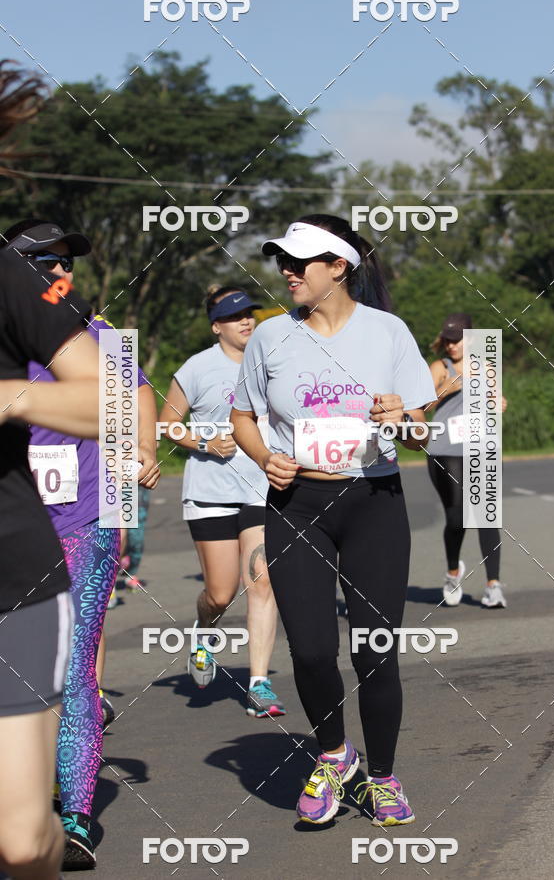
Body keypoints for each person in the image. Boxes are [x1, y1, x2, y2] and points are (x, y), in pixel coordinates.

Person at [230, 215, 436, 825]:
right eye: (282, 262)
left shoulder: (388, 333)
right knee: (314, 652)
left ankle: (382, 776)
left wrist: (402, 416)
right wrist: (267, 457)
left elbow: (421, 430)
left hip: (374, 502)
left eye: (301, 262)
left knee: (374, 650)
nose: (287, 272)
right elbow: (244, 417)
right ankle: (332, 754)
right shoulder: (270, 338)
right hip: (298, 508)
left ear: (339, 267)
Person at [2, 218, 160, 868]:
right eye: (44, 259)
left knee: (77, 673)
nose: (58, 272)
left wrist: (142, 449)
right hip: (27, 509)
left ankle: (74, 817)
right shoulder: (12, 322)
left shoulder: (99, 343)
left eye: (65, 262)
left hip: (78, 527)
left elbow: (135, 404)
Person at [0, 57, 101, 880]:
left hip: (15, 579)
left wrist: (11, 401)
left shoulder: (10, 278)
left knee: (22, 842)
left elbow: (110, 405)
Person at [159, 286, 285, 718]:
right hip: (210, 492)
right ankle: (202, 633)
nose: (246, 321)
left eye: (249, 314)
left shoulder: (272, 359)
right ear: (217, 327)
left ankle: (259, 683)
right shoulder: (197, 367)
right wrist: (204, 442)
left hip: (260, 487)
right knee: (220, 593)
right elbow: (166, 425)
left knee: (263, 580)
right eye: (235, 317)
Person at [427, 313, 506, 608]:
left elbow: (496, 400)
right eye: (447, 340)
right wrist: (449, 386)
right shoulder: (439, 367)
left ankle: (493, 585)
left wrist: (498, 403)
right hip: (444, 450)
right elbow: (421, 405)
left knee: (487, 515)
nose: (451, 345)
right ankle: (452, 572)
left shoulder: (485, 368)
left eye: (457, 340)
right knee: (457, 515)